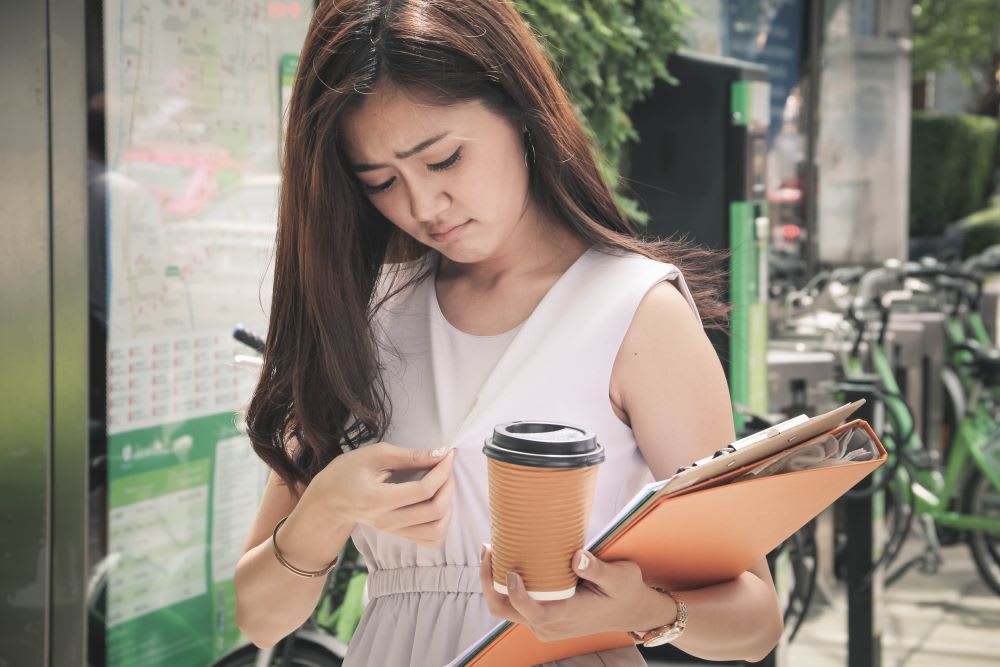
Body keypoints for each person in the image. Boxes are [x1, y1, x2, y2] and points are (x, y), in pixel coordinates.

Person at [233, 1, 783, 665]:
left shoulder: (632, 310)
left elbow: (755, 619)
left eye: (442, 161)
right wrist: (326, 507)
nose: (421, 206)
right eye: (380, 181)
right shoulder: (366, 315)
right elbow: (260, 618)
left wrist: (645, 611)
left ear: (519, 113)